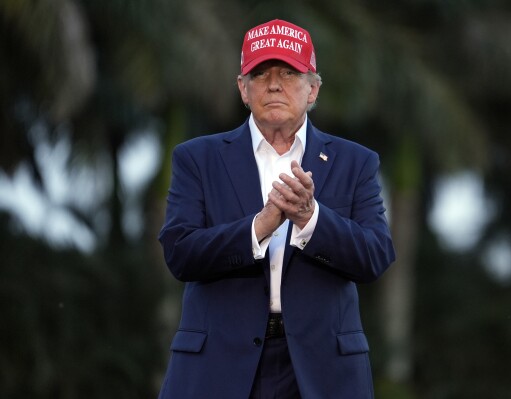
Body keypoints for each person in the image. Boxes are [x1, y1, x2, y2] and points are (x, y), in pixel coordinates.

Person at [157, 18, 396, 399]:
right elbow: (180, 252)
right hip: (217, 367)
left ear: (313, 89)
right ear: (243, 88)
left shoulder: (356, 162)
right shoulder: (196, 158)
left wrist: (310, 218)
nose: (273, 84)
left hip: (321, 371)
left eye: (288, 73)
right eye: (260, 73)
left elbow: (376, 256)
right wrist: (259, 226)